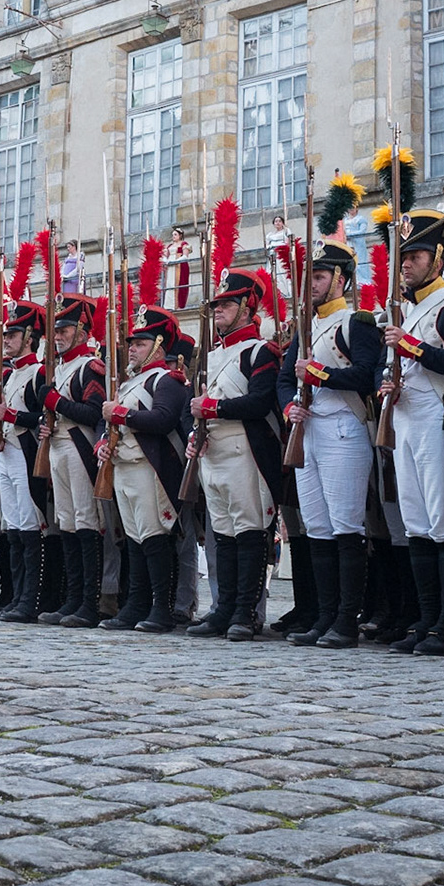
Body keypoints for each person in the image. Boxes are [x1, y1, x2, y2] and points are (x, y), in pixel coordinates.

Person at [277, 229, 383, 649]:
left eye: (320, 276)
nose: (313, 284)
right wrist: (290, 407)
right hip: (311, 430)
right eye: (310, 277)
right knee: (317, 526)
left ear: (341, 279)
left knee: (344, 526)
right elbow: (286, 381)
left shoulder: (356, 322)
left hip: (343, 427)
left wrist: (317, 375)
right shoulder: (307, 328)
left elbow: (363, 374)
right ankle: (324, 616)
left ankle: (345, 619)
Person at [376, 209, 444, 656]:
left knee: (443, 522)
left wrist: (411, 347)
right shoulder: (404, 311)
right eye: (403, 257)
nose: (407, 264)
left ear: (438, 257)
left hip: (439, 418)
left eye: (415, 255)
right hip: (406, 419)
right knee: (415, 523)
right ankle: (426, 619)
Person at [187, 268, 282, 641]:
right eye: (218, 304)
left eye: (227, 304)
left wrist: (212, 410)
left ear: (247, 306)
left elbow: (260, 402)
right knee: (223, 534)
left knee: (250, 530)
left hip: (246, 450)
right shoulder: (212, 356)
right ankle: (223, 607)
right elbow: (195, 406)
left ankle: (246, 611)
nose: (219, 309)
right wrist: (199, 431)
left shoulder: (260, 351)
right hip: (215, 451)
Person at [101, 303, 192, 634]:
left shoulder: (166, 379)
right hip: (125, 465)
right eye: (132, 343)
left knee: (154, 537)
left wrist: (122, 416)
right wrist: (103, 441)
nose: (132, 349)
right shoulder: (129, 382)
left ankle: (161, 607)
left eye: (140, 343)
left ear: (157, 345)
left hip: (148, 467)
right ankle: (136, 605)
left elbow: (164, 419)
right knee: (135, 539)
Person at [39, 293, 110, 627]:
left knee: (85, 522)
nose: (58, 336)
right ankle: (72, 598)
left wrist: (56, 402)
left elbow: (93, 412)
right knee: (67, 522)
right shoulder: (63, 366)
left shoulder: (89, 367)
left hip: (79, 447)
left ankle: (88, 603)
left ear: (82, 333)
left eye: (64, 330)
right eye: (57, 330)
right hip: (57, 446)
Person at [0, 296, 51, 623]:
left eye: (13, 336)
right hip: (5, 453)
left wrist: (11, 415)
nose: (7, 341)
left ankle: (30, 599)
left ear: (29, 337)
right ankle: (14, 595)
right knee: (11, 528)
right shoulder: (10, 373)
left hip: (26, 456)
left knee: (28, 528)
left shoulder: (39, 373)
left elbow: (45, 418)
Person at [165, 228, 193, 311]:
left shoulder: (184, 244)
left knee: (179, 283)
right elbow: (165, 255)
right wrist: (166, 261)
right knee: (169, 284)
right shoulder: (170, 246)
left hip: (179, 266)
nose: (173, 236)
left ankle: (178, 305)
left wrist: (175, 261)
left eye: (175, 235)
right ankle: (169, 305)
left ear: (180, 235)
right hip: (170, 267)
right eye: (172, 235)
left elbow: (185, 256)